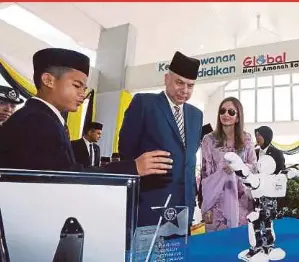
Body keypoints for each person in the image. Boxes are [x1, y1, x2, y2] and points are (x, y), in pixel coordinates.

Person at [0, 48, 172, 177]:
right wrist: (132, 168)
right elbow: (63, 177)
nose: (82, 94)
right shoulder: (37, 120)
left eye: (84, 88)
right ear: (48, 80)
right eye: (76, 85)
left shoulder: (42, 117)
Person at [119, 51, 203, 228]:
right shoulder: (144, 103)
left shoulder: (196, 115)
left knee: (181, 254)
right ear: (166, 79)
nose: (185, 90)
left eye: (190, 85)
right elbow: (126, 150)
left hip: (184, 206)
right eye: (179, 82)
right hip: (150, 203)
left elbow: (189, 157)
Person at [199, 97, 257, 232]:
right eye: (222, 111)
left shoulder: (246, 139)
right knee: (216, 245)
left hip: (241, 200)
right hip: (215, 200)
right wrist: (205, 204)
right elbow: (205, 173)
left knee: (240, 243)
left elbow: (254, 165)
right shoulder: (208, 140)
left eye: (231, 112)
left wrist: (238, 167)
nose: (225, 114)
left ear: (238, 117)